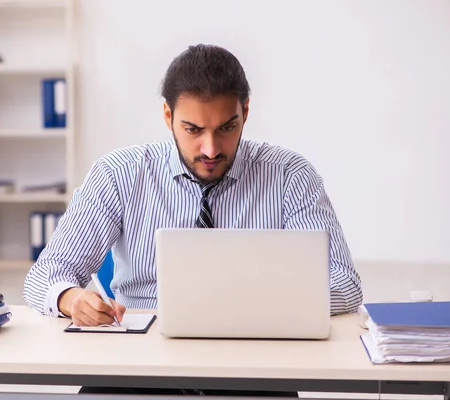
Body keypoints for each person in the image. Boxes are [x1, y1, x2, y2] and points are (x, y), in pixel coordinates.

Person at [23, 44, 363, 397]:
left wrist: (250, 303)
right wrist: (69, 298)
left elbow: (344, 283)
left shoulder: (290, 176)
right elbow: (47, 272)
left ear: (245, 112)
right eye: (193, 129)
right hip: (137, 366)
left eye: (226, 127)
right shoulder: (118, 175)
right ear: (168, 117)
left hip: (255, 367)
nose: (211, 149)